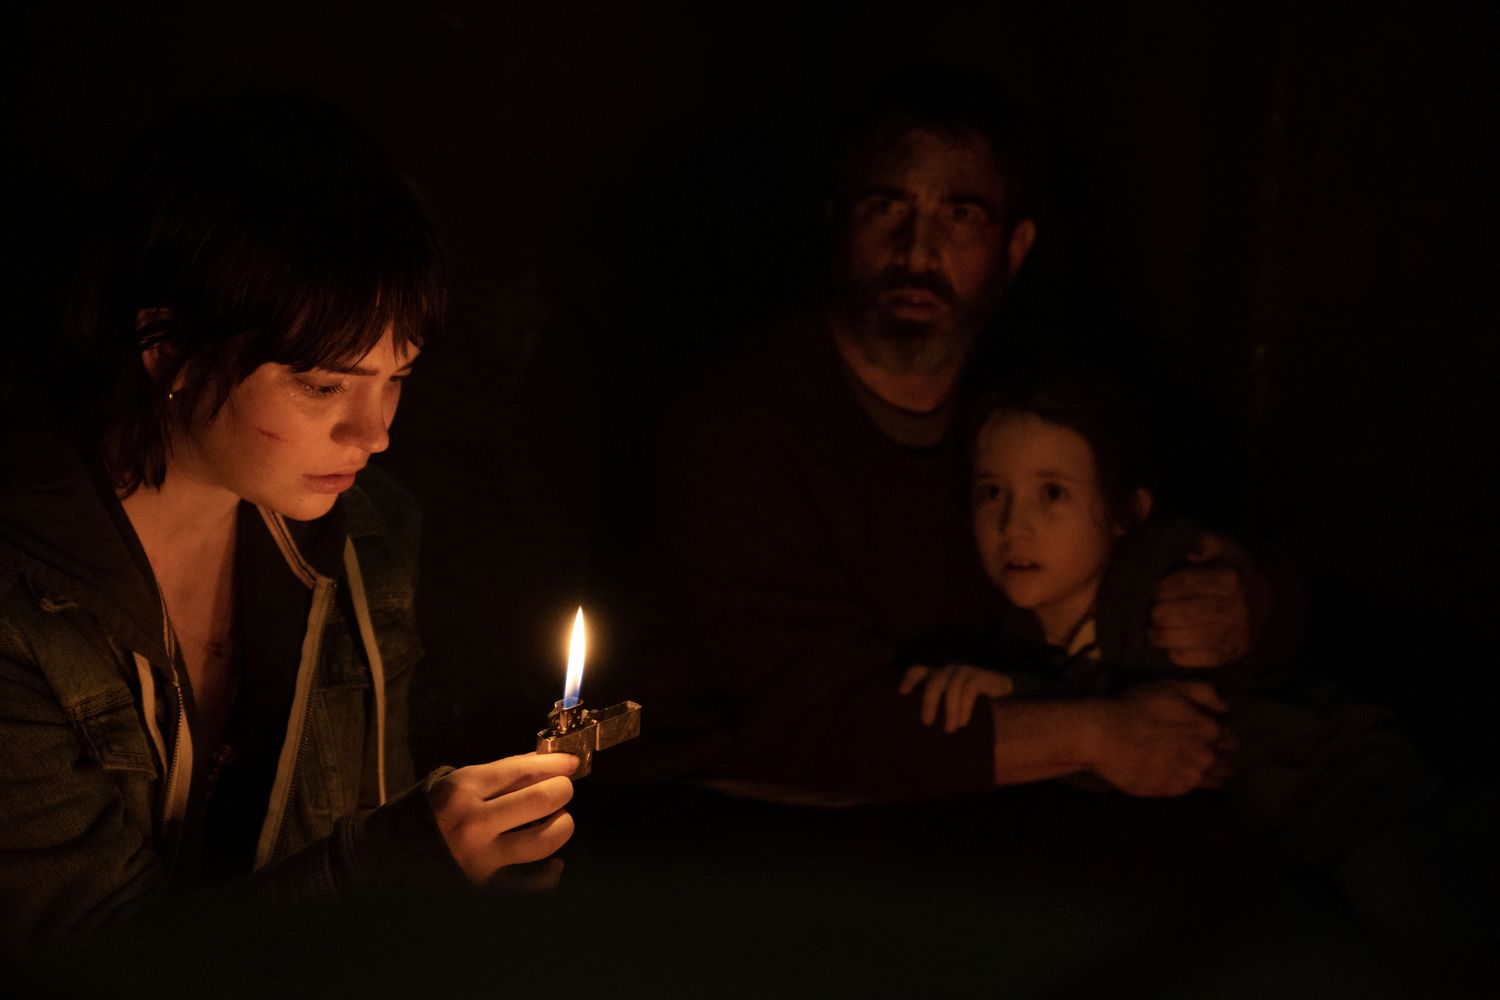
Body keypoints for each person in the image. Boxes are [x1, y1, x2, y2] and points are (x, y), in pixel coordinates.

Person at [0, 95, 577, 947]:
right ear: (169, 350)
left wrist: (454, 888)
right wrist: (391, 866)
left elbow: (366, 889)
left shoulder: (363, 536)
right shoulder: (25, 608)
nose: (373, 433)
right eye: (323, 385)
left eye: (397, 378)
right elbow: (80, 966)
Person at [638, 67, 1260, 805]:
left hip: (955, 814)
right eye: (887, 208)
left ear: (1014, 247)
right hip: (735, 815)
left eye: (959, 215)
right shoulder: (735, 424)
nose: (917, 250)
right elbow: (816, 723)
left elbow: (1146, 556)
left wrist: (1243, 602)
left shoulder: (1022, 414)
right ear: (837, 222)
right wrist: (1096, 735)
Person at [907, 370, 1493, 987]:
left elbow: (1152, 735)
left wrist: (1020, 702)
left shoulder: (1166, 586)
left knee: (1443, 948)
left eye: (1052, 493)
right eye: (991, 492)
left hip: (1346, 794)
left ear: (1124, 512)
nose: (1013, 525)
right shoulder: (1013, 630)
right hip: (1256, 847)